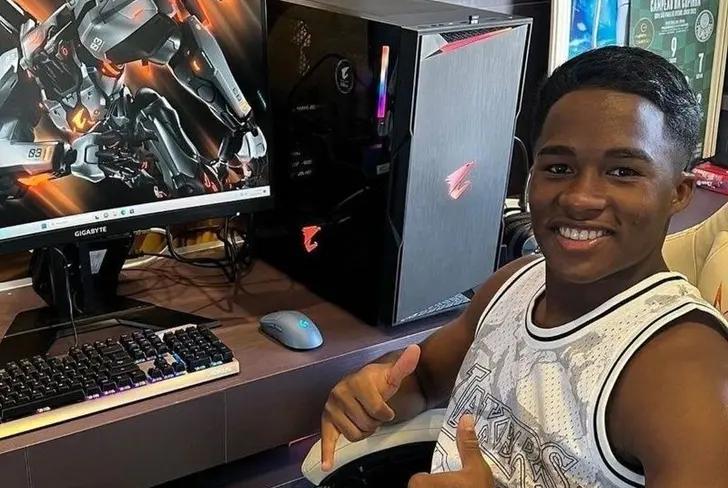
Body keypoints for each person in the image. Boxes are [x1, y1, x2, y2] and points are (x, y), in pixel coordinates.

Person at [319, 46, 728, 487]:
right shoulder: (516, 283)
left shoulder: (686, 371)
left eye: (623, 172)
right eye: (559, 167)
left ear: (679, 192)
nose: (579, 198)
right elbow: (424, 377)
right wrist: (372, 391)